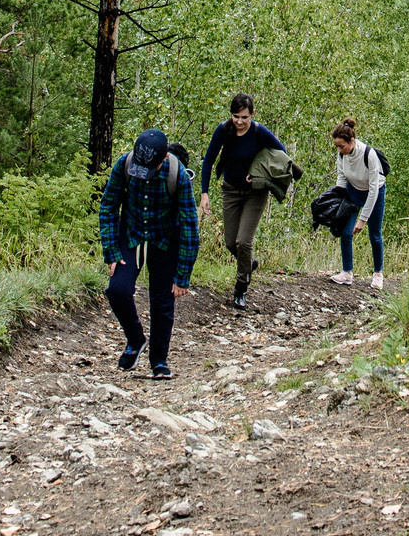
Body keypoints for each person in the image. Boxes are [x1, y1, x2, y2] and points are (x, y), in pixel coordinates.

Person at [98, 127, 198, 378]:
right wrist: (111, 251)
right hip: (131, 234)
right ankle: (135, 340)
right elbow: (108, 206)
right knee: (117, 289)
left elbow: (189, 226)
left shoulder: (178, 175)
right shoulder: (125, 164)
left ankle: (159, 361)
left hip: (165, 238)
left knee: (162, 301)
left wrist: (183, 275)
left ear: (164, 158)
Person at [198, 93, 285, 310]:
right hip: (230, 191)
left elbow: (281, 153)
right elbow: (209, 160)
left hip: (255, 193)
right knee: (230, 243)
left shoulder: (259, 131)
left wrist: (259, 173)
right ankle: (249, 264)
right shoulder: (223, 130)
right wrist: (204, 193)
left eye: (244, 117)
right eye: (236, 116)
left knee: (243, 242)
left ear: (252, 114)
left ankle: (241, 288)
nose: (239, 121)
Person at [328, 118, 385, 289]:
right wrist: (337, 200)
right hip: (353, 191)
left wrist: (363, 219)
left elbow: (374, 189)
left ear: (351, 141)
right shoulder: (342, 154)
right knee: (346, 232)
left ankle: (378, 274)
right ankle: (347, 272)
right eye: (337, 146)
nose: (339, 149)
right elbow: (342, 176)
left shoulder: (369, 154)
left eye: (341, 146)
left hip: (374, 192)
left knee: (374, 234)